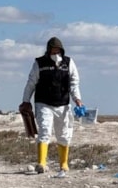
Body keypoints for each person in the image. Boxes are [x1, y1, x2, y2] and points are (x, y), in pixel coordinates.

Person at [20, 36, 84, 177]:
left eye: (58, 50)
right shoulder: (39, 63)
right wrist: (26, 100)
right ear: (48, 50)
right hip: (43, 103)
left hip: (63, 104)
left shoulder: (68, 62)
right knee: (44, 131)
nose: (56, 53)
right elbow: (31, 83)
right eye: (53, 50)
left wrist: (78, 99)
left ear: (62, 50)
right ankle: (42, 163)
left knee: (64, 134)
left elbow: (74, 83)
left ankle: (63, 164)